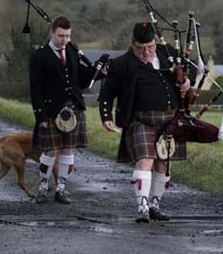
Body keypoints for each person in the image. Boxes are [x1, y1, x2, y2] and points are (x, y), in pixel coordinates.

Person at [98, 22, 193, 223]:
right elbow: (106, 93)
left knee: (163, 163)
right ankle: (142, 206)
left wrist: (186, 81)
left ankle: (154, 205)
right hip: (140, 119)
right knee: (145, 160)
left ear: (154, 42)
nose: (146, 52)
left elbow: (191, 68)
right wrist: (106, 116)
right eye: (140, 48)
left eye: (149, 47)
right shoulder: (121, 63)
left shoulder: (168, 53)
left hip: (170, 120)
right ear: (133, 45)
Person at [28, 16, 101, 204]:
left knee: (68, 150)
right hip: (52, 109)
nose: (65, 40)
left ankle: (61, 188)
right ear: (52, 32)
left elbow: (82, 79)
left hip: (74, 107)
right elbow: (35, 89)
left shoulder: (71, 50)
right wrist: (40, 115)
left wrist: (99, 71)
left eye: (68, 36)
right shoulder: (39, 56)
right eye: (61, 36)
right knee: (51, 150)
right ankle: (43, 186)